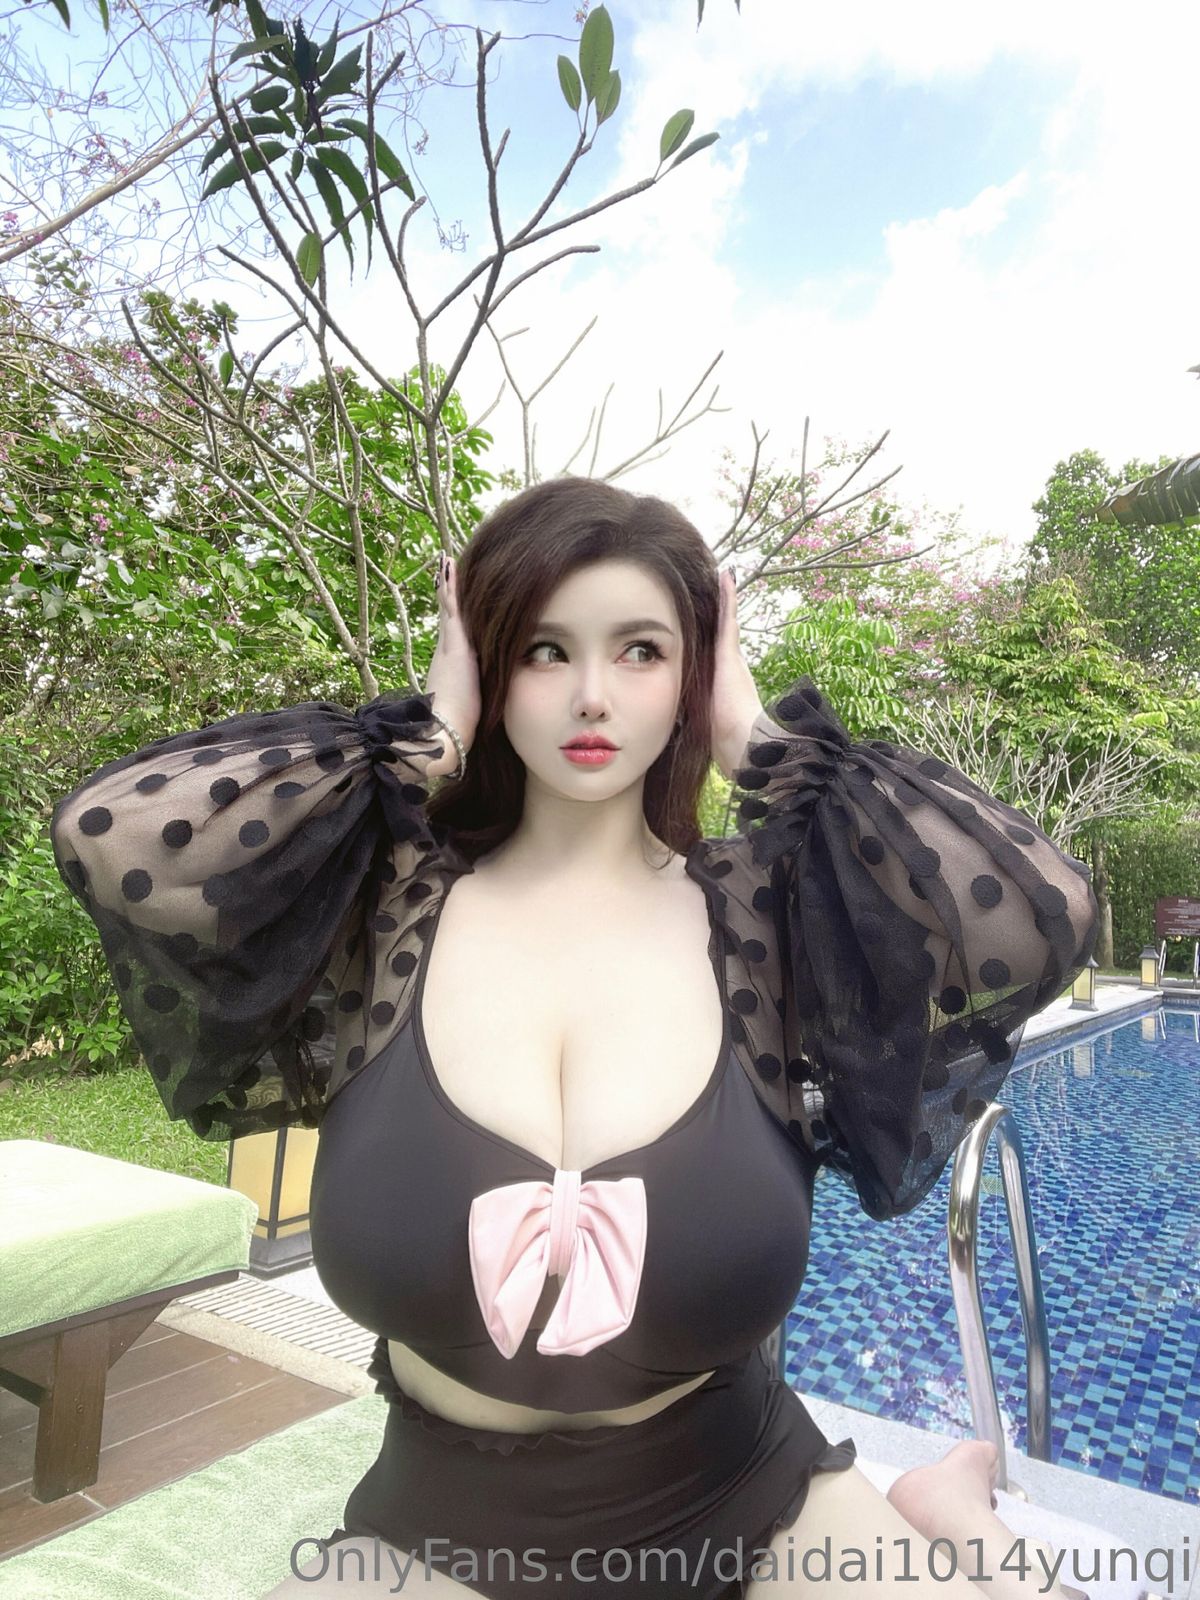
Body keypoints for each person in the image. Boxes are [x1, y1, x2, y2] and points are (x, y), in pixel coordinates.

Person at [50, 477, 1100, 1599]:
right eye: (544, 650)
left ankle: (950, 1513)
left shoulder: (762, 921)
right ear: (490, 661)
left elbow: (1046, 916)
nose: (592, 696)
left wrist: (759, 745)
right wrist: (427, 739)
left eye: (642, 651)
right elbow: (111, 839)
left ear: (692, 673)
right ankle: (948, 1519)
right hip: (444, 1525)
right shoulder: (384, 913)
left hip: (746, 1495)